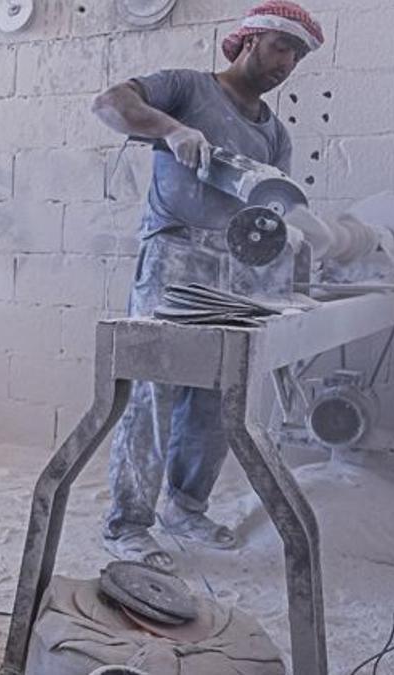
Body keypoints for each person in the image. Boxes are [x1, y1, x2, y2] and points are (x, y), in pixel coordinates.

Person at [91, 0, 324, 571]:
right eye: (281, 47)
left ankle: (186, 507)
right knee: (152, 389)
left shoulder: (274, 133)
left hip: (235, 267)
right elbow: (109, 103)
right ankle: (127, 524)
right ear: (249, 39)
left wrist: (287, 264)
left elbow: (272, 216)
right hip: (173, 251)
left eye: (298, 56)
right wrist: (171, 130)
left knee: (218, 394)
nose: (288, 63)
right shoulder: (187, 88)